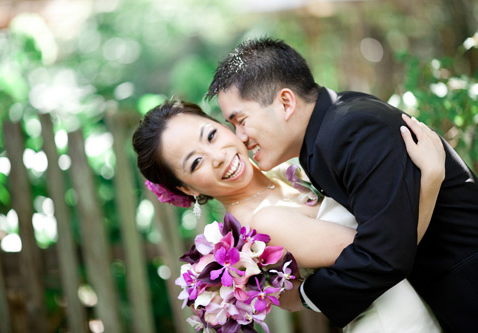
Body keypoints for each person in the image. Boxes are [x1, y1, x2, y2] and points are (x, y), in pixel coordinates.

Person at [205, 37, 478, 332]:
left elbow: (384, 254)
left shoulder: (354, 130)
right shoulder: (328, 134)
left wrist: (303, 297)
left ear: (285, 102)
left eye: (241, 120)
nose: (240, 137)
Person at [132, 100, 444, 332]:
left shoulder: (285, 170)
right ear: (185, 188)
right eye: (196, 162)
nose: (218, 157)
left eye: (211, 135)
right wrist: (431, 178)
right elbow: (387, 250)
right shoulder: (263, 222)